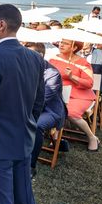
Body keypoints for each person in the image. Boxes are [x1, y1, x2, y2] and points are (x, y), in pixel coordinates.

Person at [0, 4, 44, 204]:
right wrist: (28, 123)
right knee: (25, 200)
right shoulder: (35, 58)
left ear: (1, 25)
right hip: (25, 137)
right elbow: (39, 101)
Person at [49, 39, 100, 151]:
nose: (61, 45)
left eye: (66, 43)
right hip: (58, 93)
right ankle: (56, 137)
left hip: (79, 95)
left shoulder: (83, 62)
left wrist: (72, 77)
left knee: (70, 112)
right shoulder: (53, 59)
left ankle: (92, 137)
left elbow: (89, 83)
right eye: (61, 42)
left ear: (74, 47)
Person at [25, 43, 66, 175]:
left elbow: (43, 99)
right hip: (29, 107)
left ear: (40, 56)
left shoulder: (52, 74)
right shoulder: (25, 68)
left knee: (36, 125)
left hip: (50, 110)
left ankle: (31, 165)